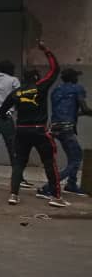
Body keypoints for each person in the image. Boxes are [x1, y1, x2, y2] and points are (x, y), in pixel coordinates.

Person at [1, 41, 67, 208]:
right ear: (37, 77)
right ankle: (56, 197)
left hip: (21, 131)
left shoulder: (16, 92)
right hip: (39, 131)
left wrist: (8, 118)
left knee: (19, 164)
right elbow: (55, 70)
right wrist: (46, 50)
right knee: (49, 162)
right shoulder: (41, 87)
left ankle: (13, 195)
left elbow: (2, 110)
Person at [43, 68, 92, 197]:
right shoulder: (77, 88)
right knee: (76, 158)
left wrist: (81, 114)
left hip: (54, 127)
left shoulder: (56, 90)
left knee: (73, 155)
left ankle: (71, 184)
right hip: (67, 128)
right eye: (76, 76)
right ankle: (49, 186)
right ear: (73, 78)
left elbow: (67, 110)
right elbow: (85, 109)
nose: (78, 79)